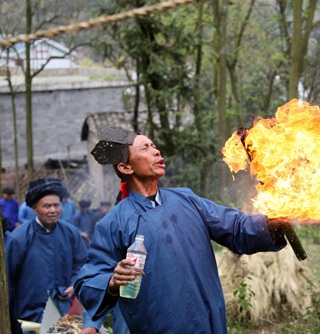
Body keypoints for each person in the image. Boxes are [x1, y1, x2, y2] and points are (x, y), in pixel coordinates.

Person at [75, 126, 287, 333]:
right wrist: (112, 281)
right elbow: (87, 282)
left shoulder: (187, 199)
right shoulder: (113, 223)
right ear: (126, 167)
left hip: (211, 321)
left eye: (154, 145)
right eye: (145, 148)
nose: (156, 151)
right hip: (162, 325)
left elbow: (237, 228)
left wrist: (274, 222)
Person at [4, 178, 100, 334]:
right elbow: (8, 281)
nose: (53, 210)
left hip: (66, 312)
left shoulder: (70, 233)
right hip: (31, 316)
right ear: (35, 208)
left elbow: (83, 264)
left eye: (56, 205)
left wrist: (74, 283)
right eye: (47, 206)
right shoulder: (19, 238)